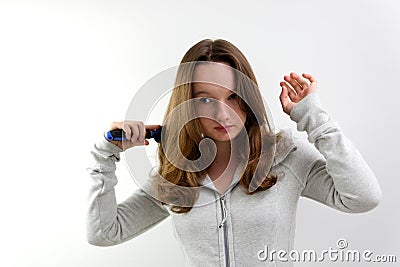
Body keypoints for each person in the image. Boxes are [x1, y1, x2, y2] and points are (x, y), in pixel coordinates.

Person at [86, 39, 382, 266]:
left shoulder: (285, 157)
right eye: (204, 99)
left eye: (233, 97)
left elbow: (363, 198)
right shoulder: (176, 176)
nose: (223, 114)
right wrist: (105, 155)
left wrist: (312, 116)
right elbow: (104, 232)